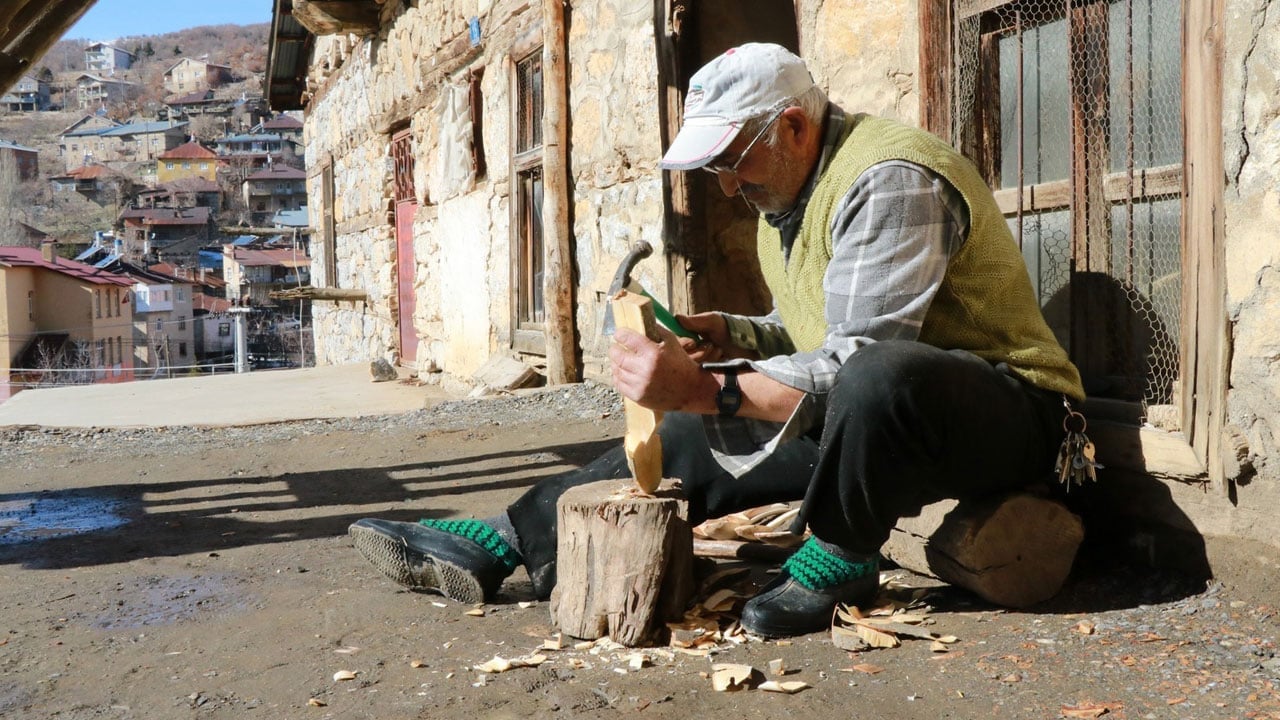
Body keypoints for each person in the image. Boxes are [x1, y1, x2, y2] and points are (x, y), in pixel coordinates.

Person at [348, 42, 1085, 638]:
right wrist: (731, 337)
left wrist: (711, 385)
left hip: (1017, 419)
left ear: (794, 125)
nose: (729, 186)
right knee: (695, 430)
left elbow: (861, 360)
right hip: (883, 421)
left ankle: (842, 556)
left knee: (869, 377)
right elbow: (817, 334)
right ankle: (503, 538)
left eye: (736, 158)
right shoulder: (789, 198)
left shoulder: (889, 179)